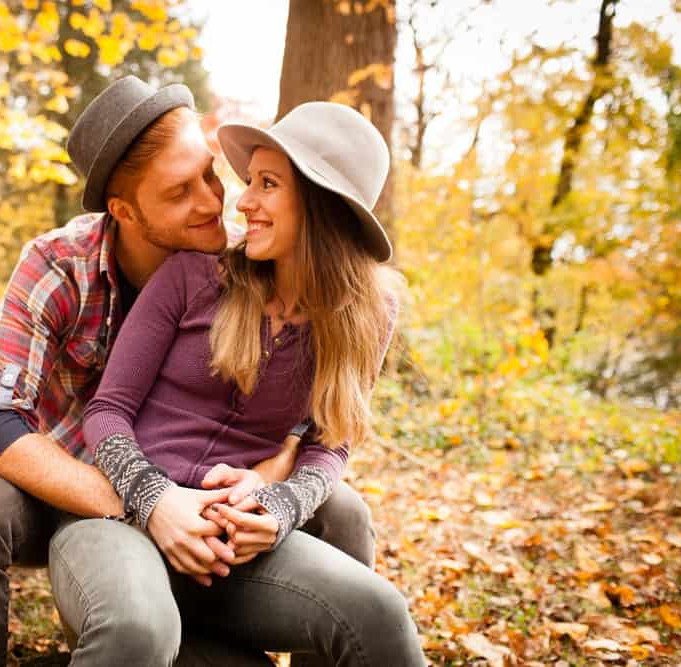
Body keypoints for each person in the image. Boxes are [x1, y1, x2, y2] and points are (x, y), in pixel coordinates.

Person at [0, 78, 379, 667]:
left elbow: (311, 415)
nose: (215, 203)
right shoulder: (59, 265)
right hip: (68, 486)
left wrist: (273, 472)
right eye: (180, 192)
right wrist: (146, 501)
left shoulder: (247, 259)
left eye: (210, 175)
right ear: (125, 210)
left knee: (344, 511)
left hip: (198, 494)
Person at [48, 102, 427, 666]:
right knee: (136, 629)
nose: (243, 200)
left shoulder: (368, 313)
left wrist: (279, 509)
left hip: (233, 551)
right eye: (250, 181)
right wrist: (155, 499)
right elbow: (107, 411)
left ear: (324, 206)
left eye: (267, 184)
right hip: (119, 520)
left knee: (379, 613)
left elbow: (331, 443)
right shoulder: (194, 276)